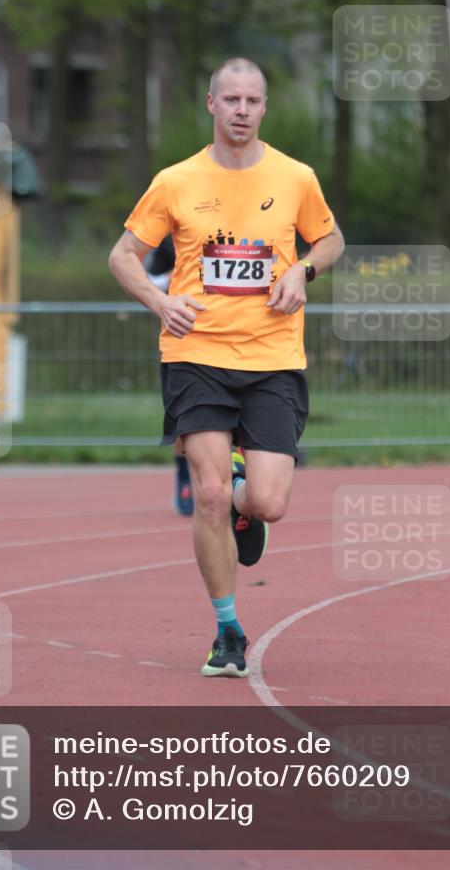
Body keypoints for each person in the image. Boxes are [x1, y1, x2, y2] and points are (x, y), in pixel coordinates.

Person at [109, 57, 344, 677]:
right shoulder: (175, 181)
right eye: (231, 99)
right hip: (196, 355)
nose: (242, 110)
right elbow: (123, 255)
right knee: (207, 495)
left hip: (273, 359)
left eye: (252, 100)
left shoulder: (295, 177)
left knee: (268, 502)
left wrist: (303, 270)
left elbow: (331, 240)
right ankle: (228, 630)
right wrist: (159, 301)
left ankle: (246, 499)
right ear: (211, 104)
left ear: (264, 108)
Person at [144, 235, 194, 516]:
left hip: (239, 339)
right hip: (186, 340)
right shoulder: (168, 239)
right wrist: (175, 275)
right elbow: (148, 283)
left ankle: (238, 477)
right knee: (187, 419)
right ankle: (185, 478)